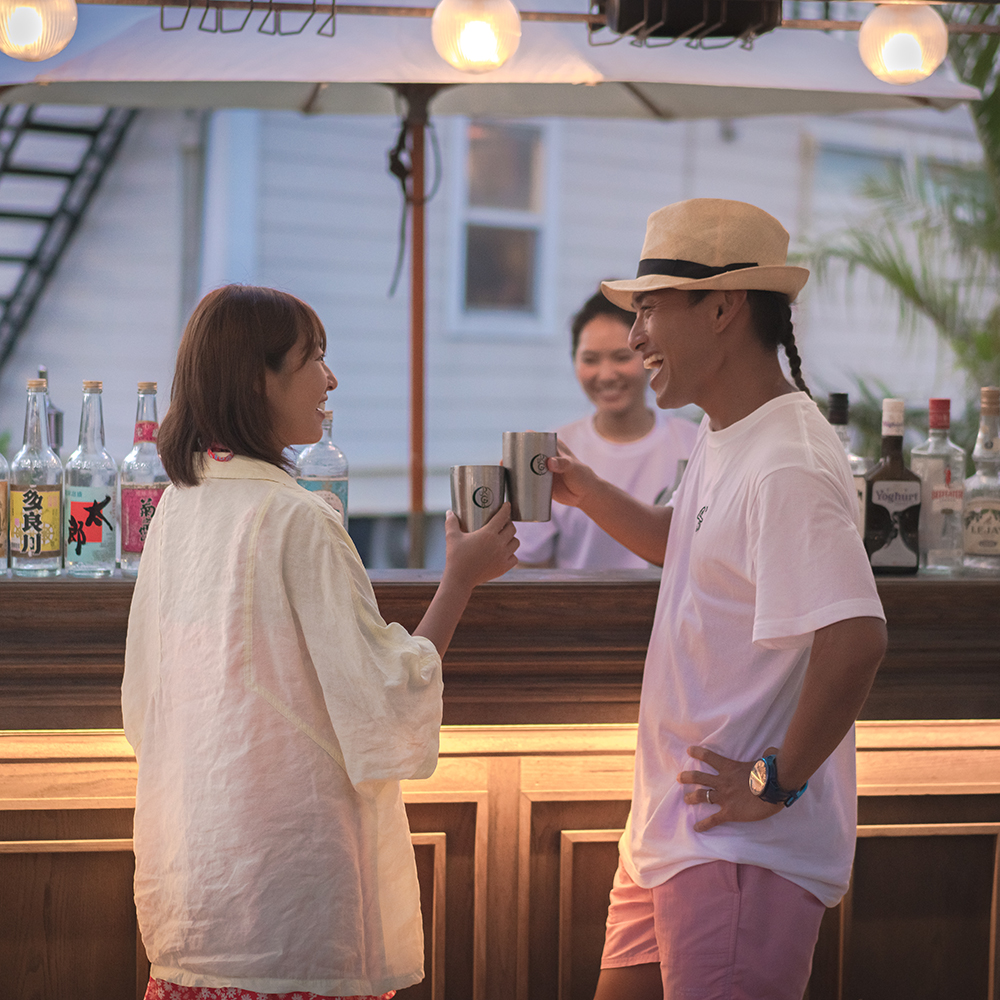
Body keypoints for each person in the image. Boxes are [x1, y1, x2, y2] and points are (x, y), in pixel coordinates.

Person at [122, 285, 518, 1000]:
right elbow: (383, 702)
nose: (330, 380)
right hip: (293, 895)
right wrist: (460, 578)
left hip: (196, 882)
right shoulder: (298, 519)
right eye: (314, 359)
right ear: (258, 380)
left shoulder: (179, 506)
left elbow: (143, 702)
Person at [543, 200, 888, 1000]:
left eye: (649, 310)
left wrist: (774, 782)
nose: (635, 337)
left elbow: (856, 638)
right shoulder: (729, 429)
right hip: (675, 832)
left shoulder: (787, 459)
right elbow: (690, 543)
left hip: (739, 852)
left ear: (723, 308)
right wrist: (586, 491)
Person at [515, 289, 697, 569]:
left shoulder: (694, 443)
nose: (607, 375)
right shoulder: (552, 451)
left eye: (621, 357)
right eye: (590, 359)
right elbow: (530, 565)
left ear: (649, 356)